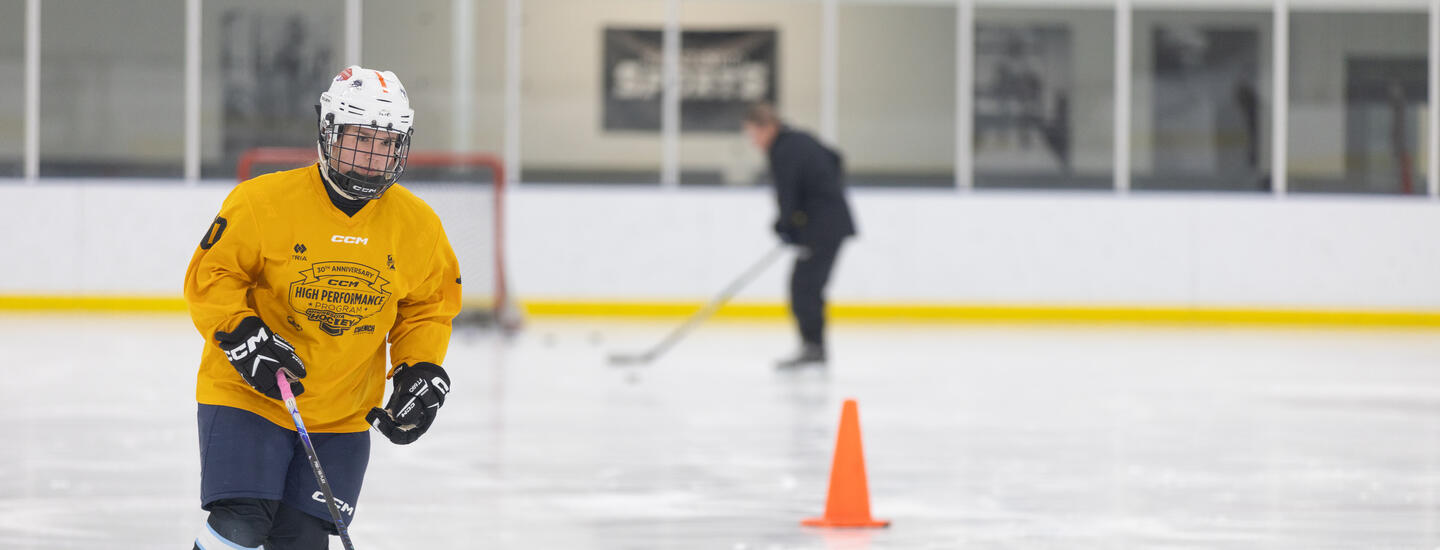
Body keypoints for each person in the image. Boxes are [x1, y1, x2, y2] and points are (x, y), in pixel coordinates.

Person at [185, 65, 462, 549]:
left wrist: (418, 366)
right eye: (359, 139)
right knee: (241, 523)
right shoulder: (262, 201)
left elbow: (426, 308)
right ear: (328, 132)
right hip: (250, 396)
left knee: (301, 540)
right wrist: (241, 332)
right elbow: (213, 276)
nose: (372, 157)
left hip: (343, 415)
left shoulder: (419, 224)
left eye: (385, 143)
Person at [742, 102, 857, 369]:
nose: (753, 141)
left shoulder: (782, 150)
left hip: (822, 228)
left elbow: (788, 193)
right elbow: (836, 159)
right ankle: (813, 347)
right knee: (807, 286)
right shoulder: (800, 139)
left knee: (804, 288)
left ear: (768, 127)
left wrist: (786, 225)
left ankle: (813, 348)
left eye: (753, 134)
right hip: (828, 223)